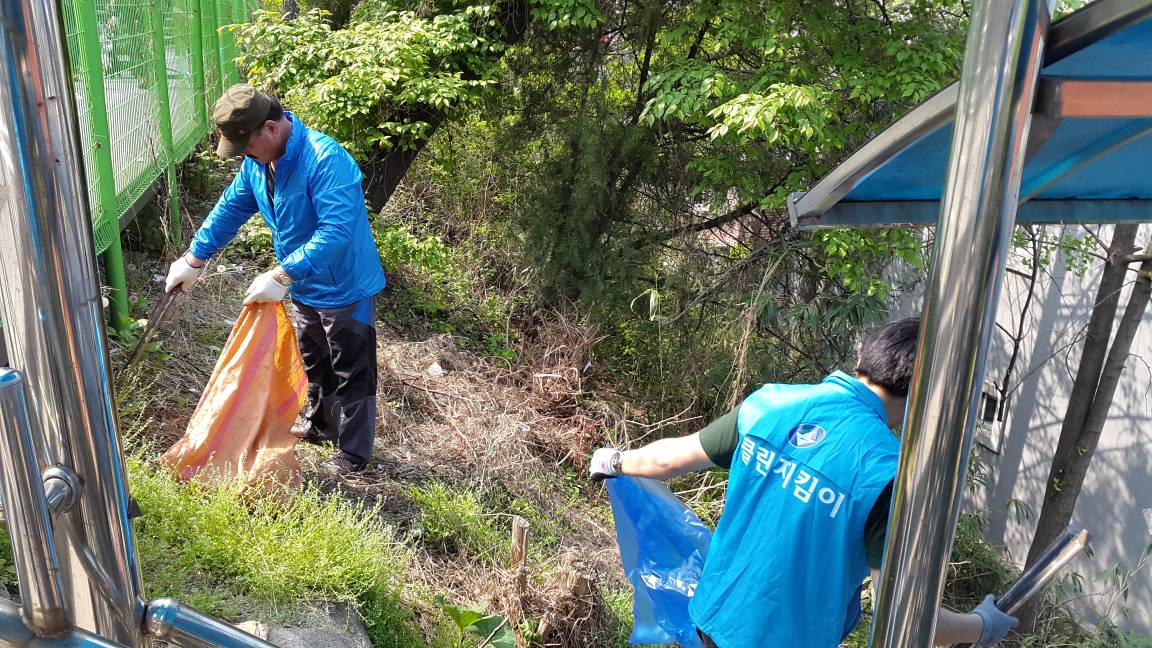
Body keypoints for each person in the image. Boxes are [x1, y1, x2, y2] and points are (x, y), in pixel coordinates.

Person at [589, 318, 1018, 647]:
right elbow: (904, 613)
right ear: (925, 394)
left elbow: (668, 459)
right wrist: (980, 626)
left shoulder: (771, 404)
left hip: (713, 622)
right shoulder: (888, 475)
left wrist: (615, 460)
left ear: (864, 359)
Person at [165, 84, 386, 476]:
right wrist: (194, 258)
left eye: (246, 147)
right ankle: (322, 427)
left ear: (270, 128)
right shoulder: (258, 164)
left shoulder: (325, 160)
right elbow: (231, 207)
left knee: (352, 369)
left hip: (345, 285)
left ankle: (354, 455)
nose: (243, 156)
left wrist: (283, 273)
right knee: (316, 361)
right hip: (302, 284)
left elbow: (336, 232)